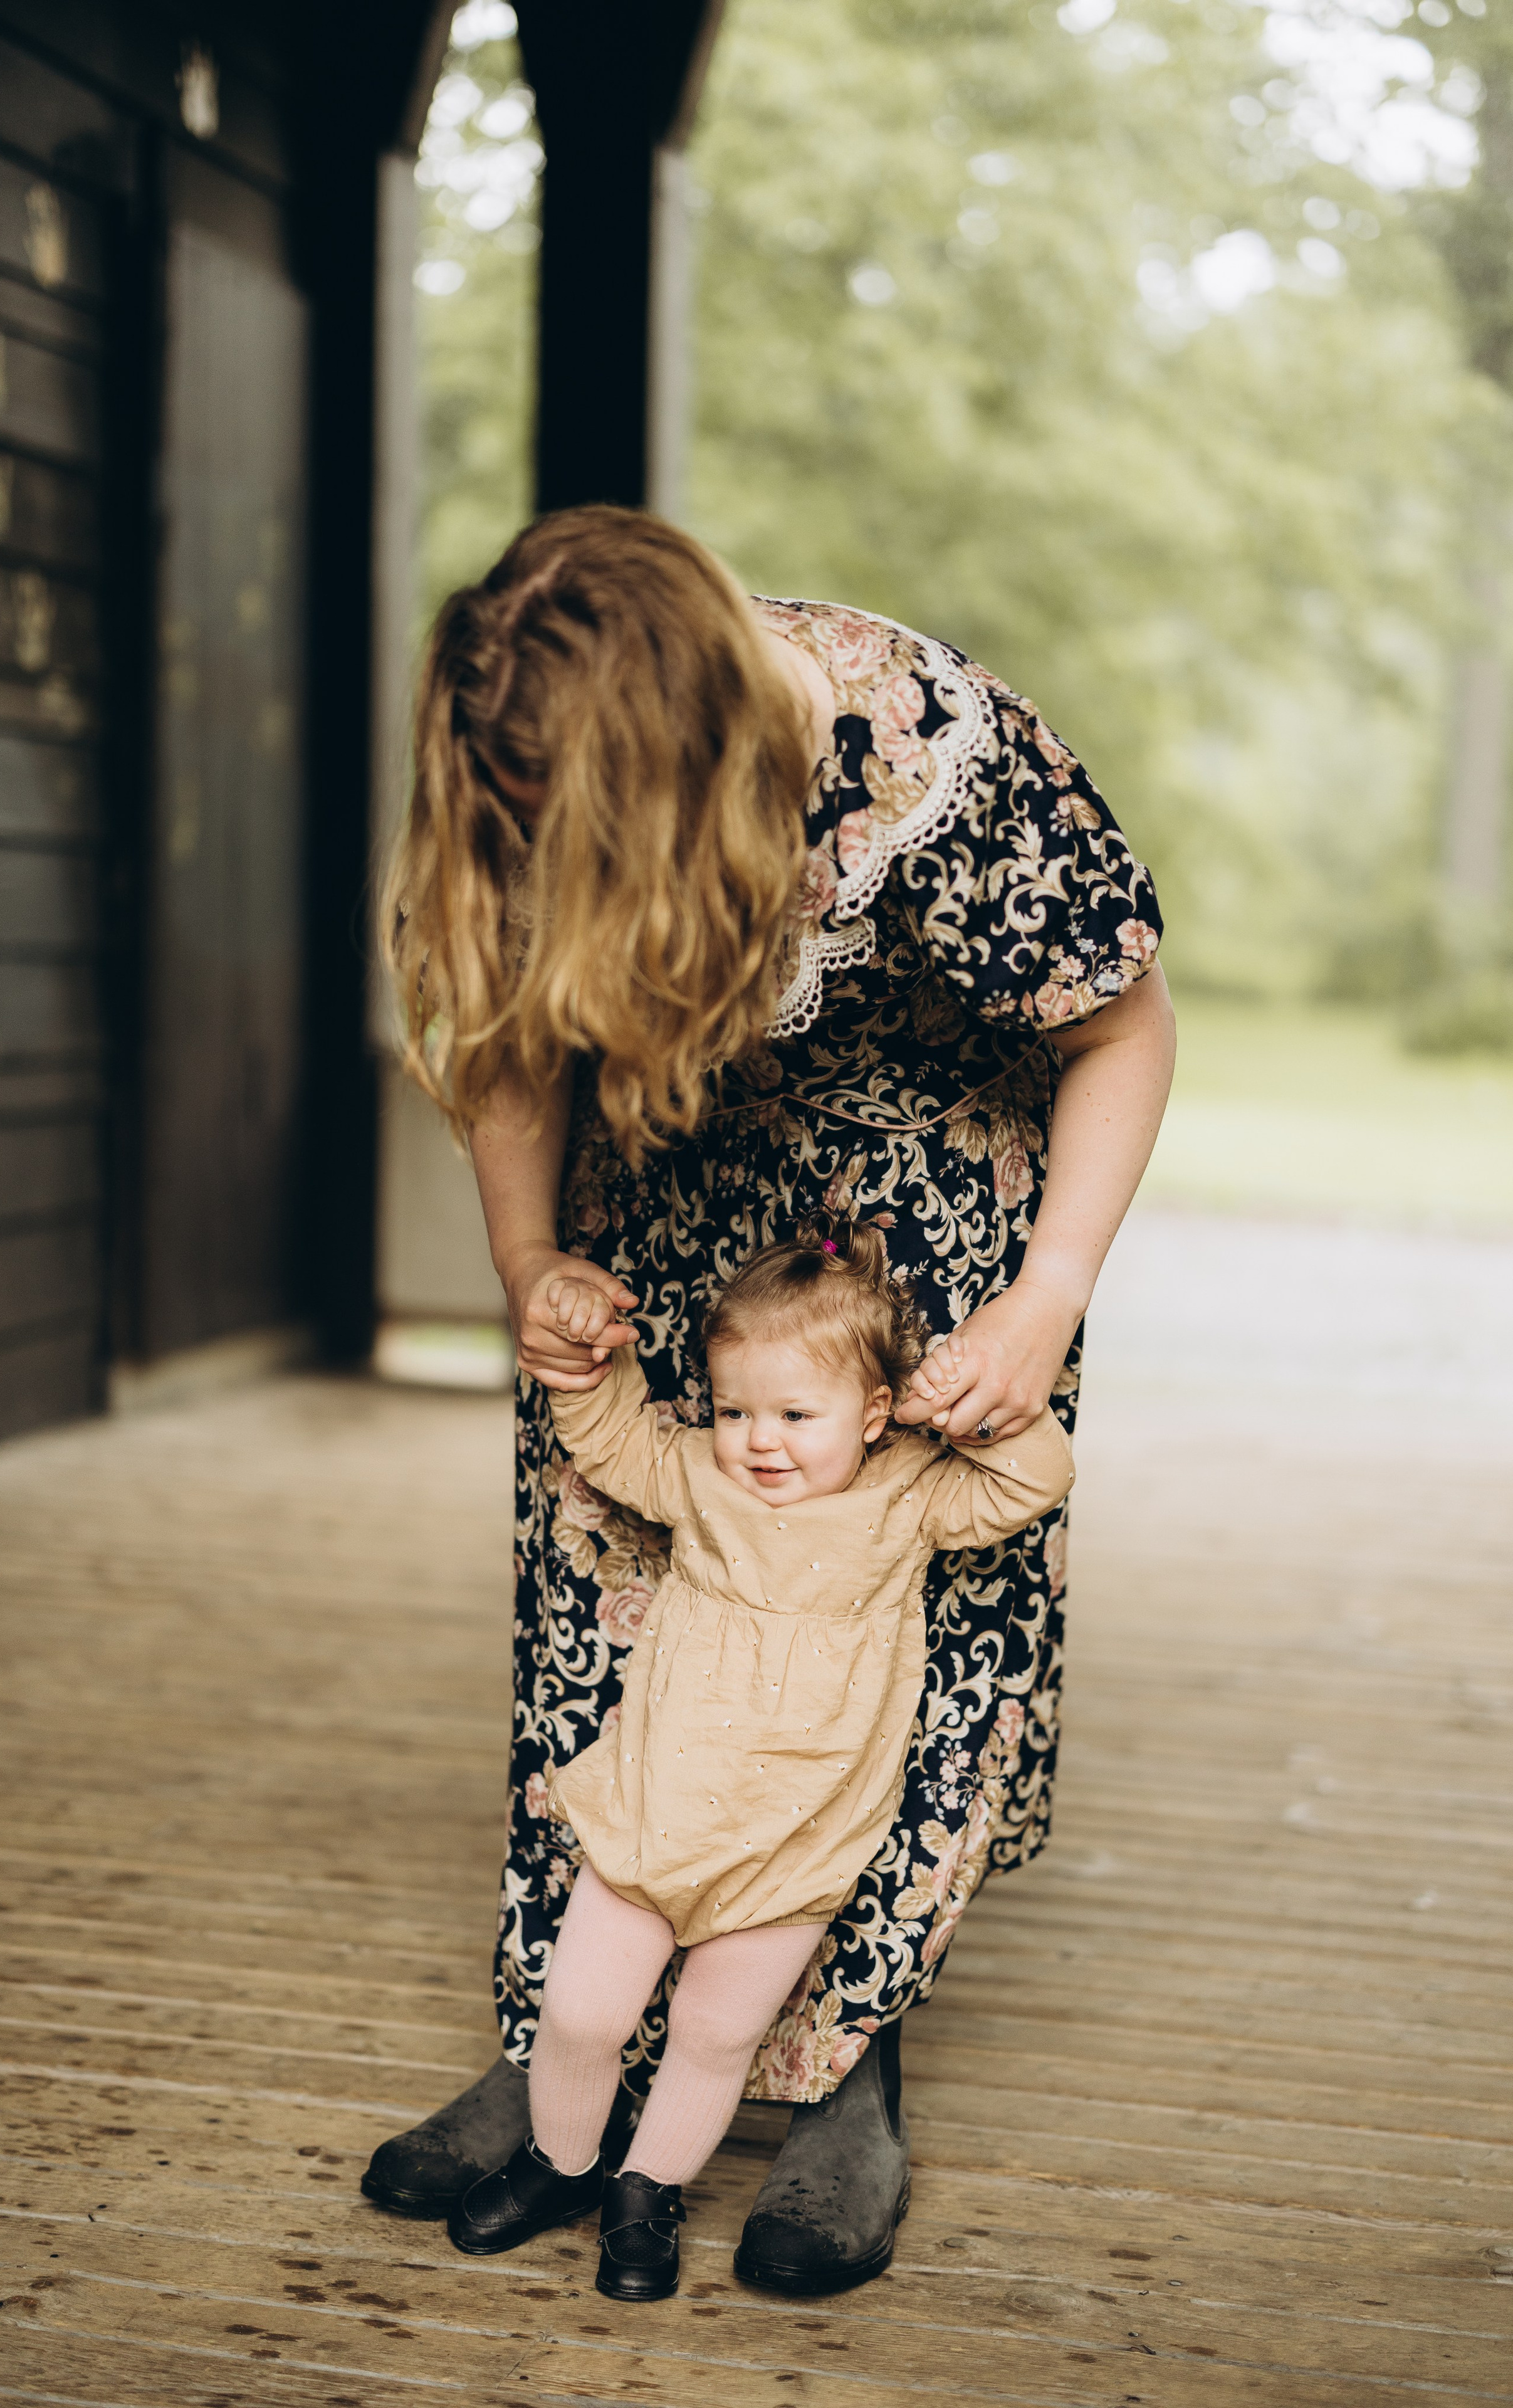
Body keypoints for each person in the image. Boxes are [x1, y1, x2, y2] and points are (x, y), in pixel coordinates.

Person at [362, 504, 1175, 2293]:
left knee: (903, 1644)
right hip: (664, 1211)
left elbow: (1123, 1024)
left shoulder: (929, 759)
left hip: (931, 1249)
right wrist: (525, 1263)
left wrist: (1045, 1296)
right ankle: (558, 2031)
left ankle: (841, 2071)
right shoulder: (532, 754)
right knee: (610, 1599)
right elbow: (510, 1035)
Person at [446, 1220, 1074, 2298]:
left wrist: (958, 1396)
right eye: (736, 1409)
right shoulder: (705, 1477)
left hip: (795, 1843)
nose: (759, 1440)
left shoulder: (910, 1496)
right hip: (658, 1811)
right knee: (585, 2010)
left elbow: (1034, 1481)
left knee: (712, 2030)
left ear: (875, 1413)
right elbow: (612, 1440)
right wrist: (591, 1354)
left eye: (795, 1413)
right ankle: (563, 2163)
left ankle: (650, 2188)